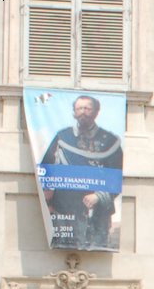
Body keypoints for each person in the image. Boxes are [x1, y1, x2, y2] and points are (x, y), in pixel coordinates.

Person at [41, 94, 123, 250]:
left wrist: (99, 196)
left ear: (96, 112)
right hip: (65, 212)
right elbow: (47, 170)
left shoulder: (110, 141)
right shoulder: (62, 137)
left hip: (97, 214)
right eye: (79, 108)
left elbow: (116, 177)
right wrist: (49, 202)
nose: (83, 112)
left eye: (87, 108)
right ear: (74, 113)